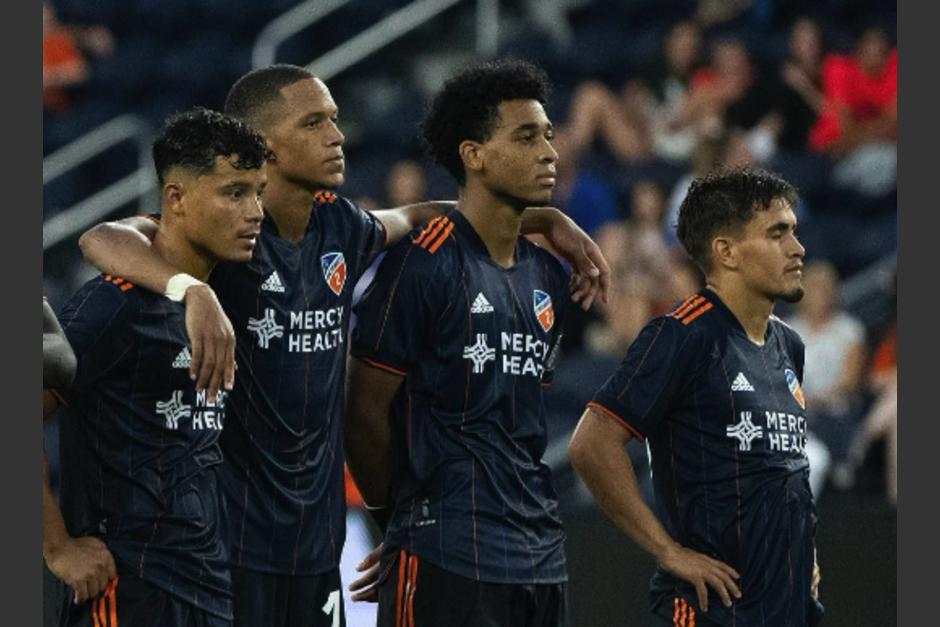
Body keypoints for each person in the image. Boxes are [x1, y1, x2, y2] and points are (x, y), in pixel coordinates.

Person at [78, 64, 609, 627]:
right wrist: (190, 291)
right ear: (265, 149)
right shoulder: (226, 240)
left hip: (317, 550)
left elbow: (422, 215)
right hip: (229, 546)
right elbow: (100, 238)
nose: (336, 136)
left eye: (333, 120)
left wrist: (544, 220)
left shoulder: (341, 225)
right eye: (313, 124)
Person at [345, 59, 571, 626]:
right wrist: (394, 518)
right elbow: (362, 413)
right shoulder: (421, 263)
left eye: (547, 134)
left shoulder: (548, 277)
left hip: (540, 557)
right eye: (526, 136)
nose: (548, 151)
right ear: (474, 155)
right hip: (447, 552)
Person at [43, 108, 270, 627]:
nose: (255, 211)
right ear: (175, 199)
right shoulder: (112, 306)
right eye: (235, 193)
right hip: (130, 591)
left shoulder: (220, 300)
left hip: (207, 588)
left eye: (258, 192)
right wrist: (58, 548)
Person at [568, 168, 824, 626]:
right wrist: (668, 551)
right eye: (777, 234)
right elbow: (591, 443)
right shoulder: (681, 335)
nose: (797, 248)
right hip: (713, 611)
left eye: (794, 232)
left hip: (787, 608)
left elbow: (782, 469)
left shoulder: (789, 345)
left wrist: (804, 551)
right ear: (725, 251)